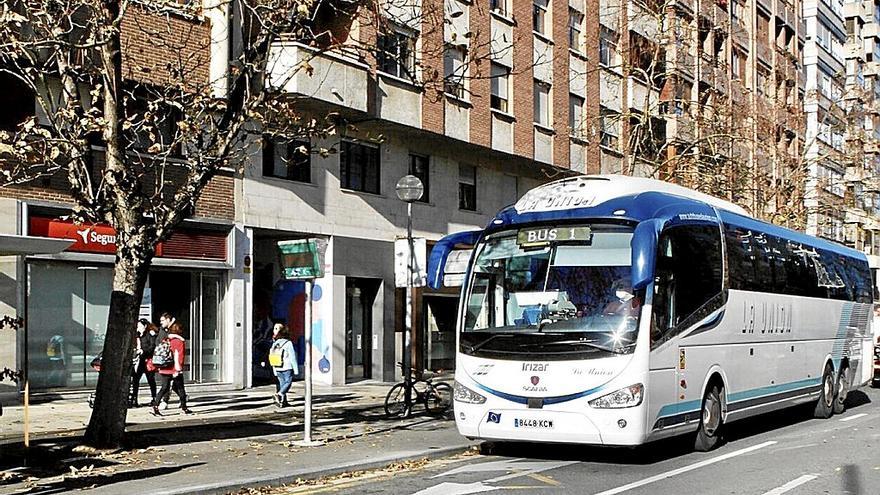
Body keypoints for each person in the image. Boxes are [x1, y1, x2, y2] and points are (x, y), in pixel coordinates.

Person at [152, 314, 193, 416]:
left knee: (164, 387)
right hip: (174, 368)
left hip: (165, 366)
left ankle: (156, 405)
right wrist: (178, 369)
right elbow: (178, 355)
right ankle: (184, 407)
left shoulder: (167, 339)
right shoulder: (179, 342)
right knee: (180, 388)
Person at [269, 323, 298, 408]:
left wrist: (274, 369)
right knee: (288, 382)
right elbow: (292, 357)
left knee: (282, 384)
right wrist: (296, 369)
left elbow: (272, 356)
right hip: (287, 367)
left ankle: (283, 402)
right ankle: (279, 394)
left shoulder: (275, 343)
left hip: (277, 366)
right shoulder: (288, 343)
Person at [131, 318, 158, 407]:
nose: (138, 328)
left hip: (147, 360)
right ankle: (134, 399)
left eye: (139, 326)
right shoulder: (137, 335)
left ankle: (154, 398)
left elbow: (152, 346)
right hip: (139, 361)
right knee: (135, 379)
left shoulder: (149, 335)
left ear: (145, 326)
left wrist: (144, 351)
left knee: (151, 380)